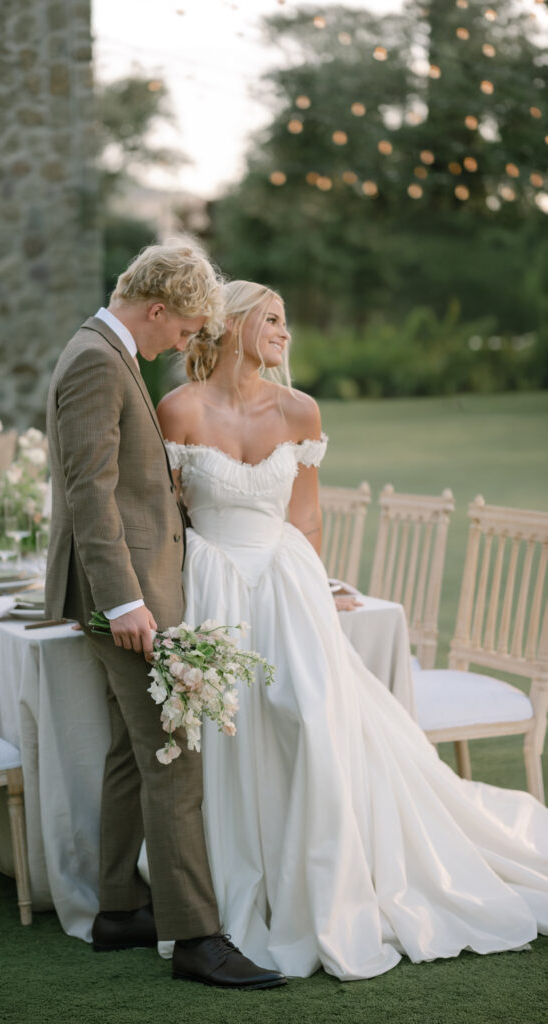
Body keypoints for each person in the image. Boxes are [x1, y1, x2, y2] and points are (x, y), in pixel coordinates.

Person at [156, 279, 548, 981]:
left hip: (286, 582)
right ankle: (226, 891)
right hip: (210, 584)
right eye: (270, 319)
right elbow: (169, 518)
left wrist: (317, 583)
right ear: (234, 323)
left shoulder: (299, 409)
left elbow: (304, 517)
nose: (283, 332)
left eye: (285, 321)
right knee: (225, 729)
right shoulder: (178, 410)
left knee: (307, 717)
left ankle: (324, 885)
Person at [44, 244, 286, 990]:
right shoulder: (95, 360)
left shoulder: (104, 353)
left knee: (130, 751)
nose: (184, 343)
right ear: (156, 309)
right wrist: (125, 601)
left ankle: (119, 907)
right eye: (183, 328)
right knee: (175, 757)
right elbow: (91, 491)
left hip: (135, 587)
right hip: (125, 596)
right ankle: (197, 938)